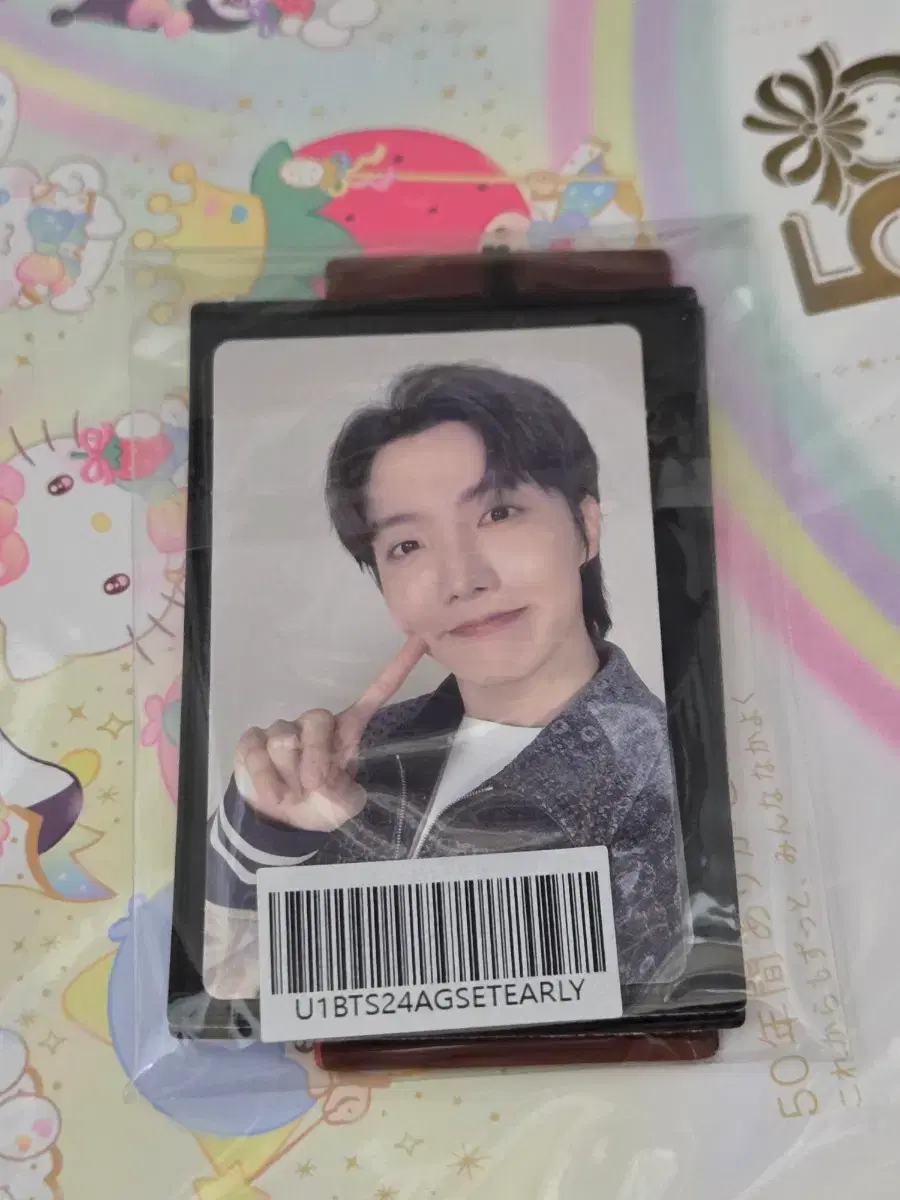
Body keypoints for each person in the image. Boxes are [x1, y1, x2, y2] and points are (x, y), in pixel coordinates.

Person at [204, 363, 688, 999]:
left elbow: (537, 1020)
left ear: (586, 528)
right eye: (407, 546)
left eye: (499, 513)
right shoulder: (358, 754)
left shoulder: (673, 783)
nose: (461, 579)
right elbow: (222, 985)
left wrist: (365, 837)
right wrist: (272, 825)